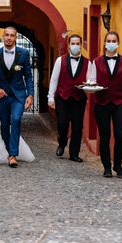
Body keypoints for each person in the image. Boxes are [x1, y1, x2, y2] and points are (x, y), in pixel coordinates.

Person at [0, 26, 34, 168]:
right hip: (2, 96)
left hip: (19, 95)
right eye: (7, 35)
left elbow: (28, 76)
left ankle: (13, 155)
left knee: (16, 119)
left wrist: (30, 95)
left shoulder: (24, 54)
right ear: (3, 36)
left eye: (12, 35)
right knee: (4, 124)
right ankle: (7, 151)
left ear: (15, 38)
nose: (9, 38)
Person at [89, 31, 122, 178]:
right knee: (104, 136)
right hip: (101, 103)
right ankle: (106, 167)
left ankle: (118, 165)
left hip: (120, 103)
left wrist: (118, 94)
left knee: (120, 136)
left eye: (114, 40)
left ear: (118, 43)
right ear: (105, 43)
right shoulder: (97, 61)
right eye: (109, 40)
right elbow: (92, 81)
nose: (111, 43)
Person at [47, 34, 89, 162]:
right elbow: (54, 80)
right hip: (63, 97)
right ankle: (62, 142)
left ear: (81, 45)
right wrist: (51, 97)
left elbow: (90, 81)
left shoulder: (88, 63)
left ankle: (74, 154)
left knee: (77, 126)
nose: (75, 46)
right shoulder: (61, 60)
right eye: (73, 43)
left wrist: (88, 86)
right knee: (62, 124)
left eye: (77, 44)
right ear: (69, 45)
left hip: (79, 99)